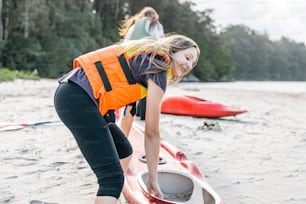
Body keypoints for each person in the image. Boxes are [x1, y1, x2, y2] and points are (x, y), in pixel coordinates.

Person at [54, 34, 200, 204]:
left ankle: (111, 196)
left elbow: (128, 114)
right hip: (78, 99)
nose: (189, 64)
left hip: (72, 94)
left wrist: (113, 143)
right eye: (187, 57)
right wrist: (153, 178)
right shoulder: (159, 66)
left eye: (193, 63)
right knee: (112, 179)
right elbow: (152, 133)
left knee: (123, 150)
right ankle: (109, 189)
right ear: (172, 50)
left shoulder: (145, 60)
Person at [119, 7, 165, 136]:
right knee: (148, 95)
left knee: (130, 101)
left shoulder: (134, 26)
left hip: (131, 65)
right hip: (149, 65)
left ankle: (124, 131)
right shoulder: (156, 26)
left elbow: (125, 44)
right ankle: (146, 123)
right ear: (155, 16)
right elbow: (160, 43)